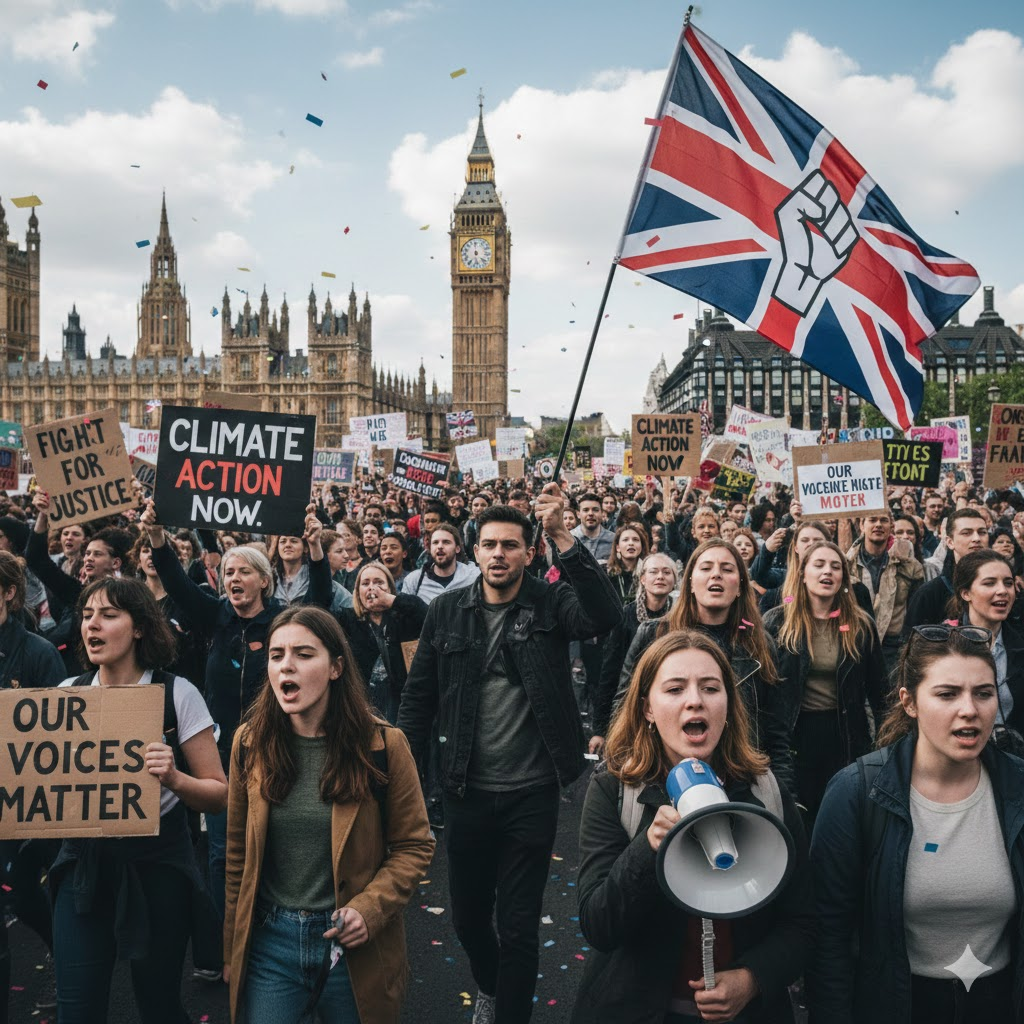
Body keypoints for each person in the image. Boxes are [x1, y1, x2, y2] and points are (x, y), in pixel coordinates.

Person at [397, 487, 622, 1023]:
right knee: (470, 920)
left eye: (511, 545)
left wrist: (566, 538)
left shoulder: (550, 602)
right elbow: (418, 697)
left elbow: (604, 616)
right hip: (465, 792)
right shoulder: (447, 611)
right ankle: (491, 985)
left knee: (520, 929)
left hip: (531, 793)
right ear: (475, 552)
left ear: (528, 552)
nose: (499, 554)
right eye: (490, 545)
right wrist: (400, 772)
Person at [573, 630, 813, 1024]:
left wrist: (753, 979)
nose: (694, 701)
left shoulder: (767, 791)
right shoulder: (614, 790)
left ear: (728, 705)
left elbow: (804, 921)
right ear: (647, 707)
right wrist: (646, 852)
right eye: (674, 689)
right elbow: (599, 926)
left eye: (710, 688)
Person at [222, 605, 433, 1024]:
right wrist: (233, 945)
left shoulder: (384, 746)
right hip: (270, 944)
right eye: (276, 655)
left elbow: (414, 845)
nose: (287, 667)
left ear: (336, 667)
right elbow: (235, 856)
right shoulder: (249, 743)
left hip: (350, 948)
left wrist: (369, 910)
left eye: (303, 654)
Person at [808, 626, 1024, 1023]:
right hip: (899, 1005)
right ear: (909, 702)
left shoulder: (1017, 786)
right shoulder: (857, 793)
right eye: (947, 694)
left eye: (983, 693)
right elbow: (828, 937)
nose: (969, 710)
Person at [141, 499, 331, 925]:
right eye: (228, 572)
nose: (234, 578)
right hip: (224, 755)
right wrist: (156, 536)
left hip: (278, 748)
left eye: (244, 571)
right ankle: (224, 934)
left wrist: (315, 549)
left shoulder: (285, 622)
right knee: (224, 851)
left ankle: (271, 923)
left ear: (264, 580)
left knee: (275, 844)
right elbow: (176, 582)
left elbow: (320, 603)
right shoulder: (216, 616)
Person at [51, 577, 227, 1024]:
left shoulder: (177, 694)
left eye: (109, 615)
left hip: (156, 871)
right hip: (83, 870)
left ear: (140, 628)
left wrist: (174, 778)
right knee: (78, 1008)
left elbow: (219, 795)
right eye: (87, 615)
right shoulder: (67, 695)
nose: (93, 624)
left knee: (159, 1005)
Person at [764, 541, 888, 824]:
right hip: (794, 736)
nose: (827, 572)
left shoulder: (861, 625)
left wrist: (886, 750)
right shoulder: (776, 622)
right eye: (818, 565)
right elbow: (766, 693)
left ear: (844, 578)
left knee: (842, 819)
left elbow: (880, 694)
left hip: (845, 735)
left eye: (835, 566)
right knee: (800, 819)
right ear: (803, 574)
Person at [590, 552, 678, 751]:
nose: (660, 577)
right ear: (643, 579)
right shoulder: (625, 615)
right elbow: (610, 671)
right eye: (653, 572)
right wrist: (600, 729)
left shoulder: (681, 617)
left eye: (667, 572)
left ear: (675, 580)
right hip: (631, 700)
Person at [337, 562, 428, 724]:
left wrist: (393, 601)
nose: (372, 587)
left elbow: (428, 616)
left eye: (379, 582)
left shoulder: (405, 618)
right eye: (365, 584)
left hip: (404, 709)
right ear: (357, 593)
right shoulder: (348, 620)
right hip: (363, 708)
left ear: (391, 589)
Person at [950, 551, 1024, 735]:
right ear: (966, 593)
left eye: (1008, 583)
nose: (1003, 591)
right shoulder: (942, 645)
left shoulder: (1018, 645)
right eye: (990, 583)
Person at [846, 510, 923, 678]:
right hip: (855, 645)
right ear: (862, 525)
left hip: (893, 649)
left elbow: (915, 612)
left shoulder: (910, 566)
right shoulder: (846, 564)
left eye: (883, 520)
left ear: (891, 526)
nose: (878, 524)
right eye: (872, 519)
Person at [401, 522, 479, 604]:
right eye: (435, 542)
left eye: (446, 542)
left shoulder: (474, 576)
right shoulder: (414, 581)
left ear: (457, 548)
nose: (440, 546)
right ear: (430, 548)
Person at [606, 523, 649, 605]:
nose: (631, 543)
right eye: (625, 540)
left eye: (635, 540)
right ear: (617, 547)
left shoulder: (649, 572)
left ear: (641, 546)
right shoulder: (607, 573)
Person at [571, 493, 616, 564]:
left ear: (602, 513)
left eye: (595, 510)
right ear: (578, 514)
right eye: (586, 510)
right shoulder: (569, 539)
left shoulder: (613, 540)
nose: (591, 514)